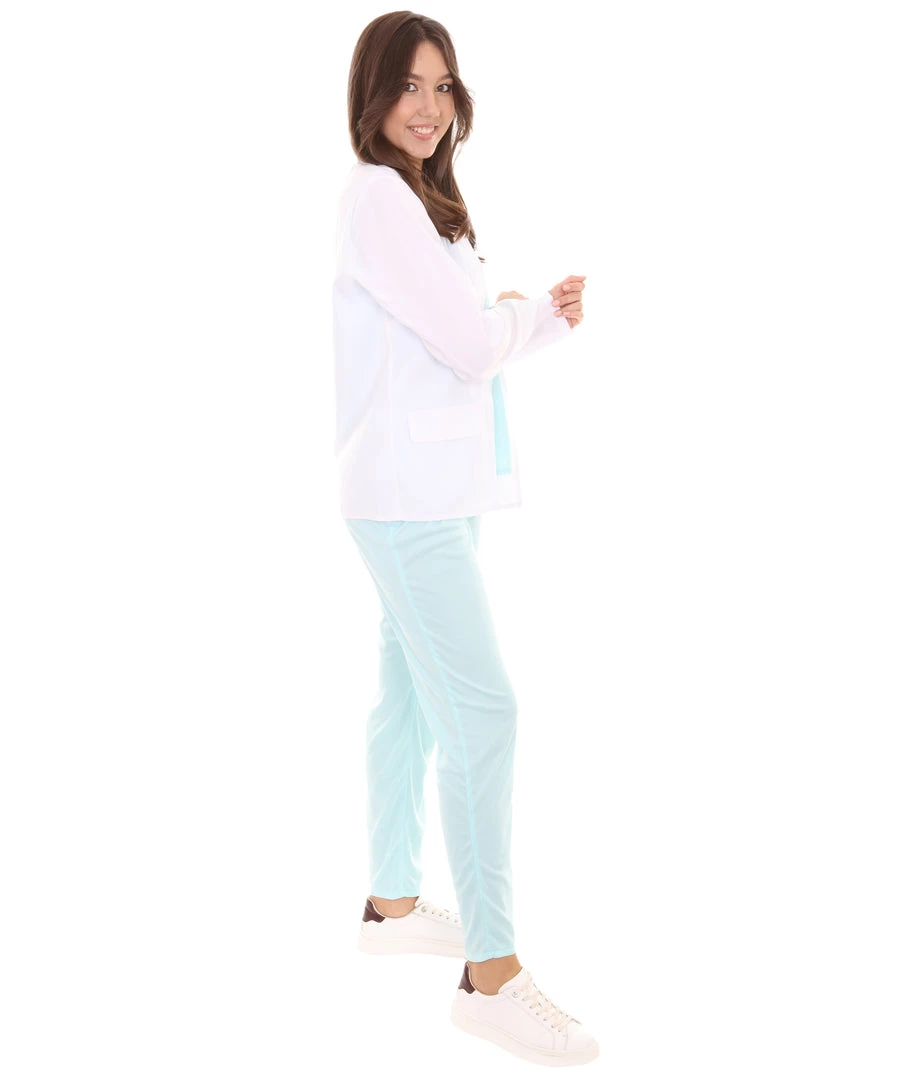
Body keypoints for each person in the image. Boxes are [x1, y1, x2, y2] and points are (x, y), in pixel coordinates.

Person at [332, 11, 598, 1067]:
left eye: (441, 87)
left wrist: (526, 318)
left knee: (408, 697)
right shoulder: (375, 195)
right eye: (407, 85)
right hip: (406, 502)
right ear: (371, 96)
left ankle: (391, 902)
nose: (428, 107)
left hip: (431, 494)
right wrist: (523, 318)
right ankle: (490, 975)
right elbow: (465, 344)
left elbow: (456, 340)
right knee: (485, 714)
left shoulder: (417, 199)